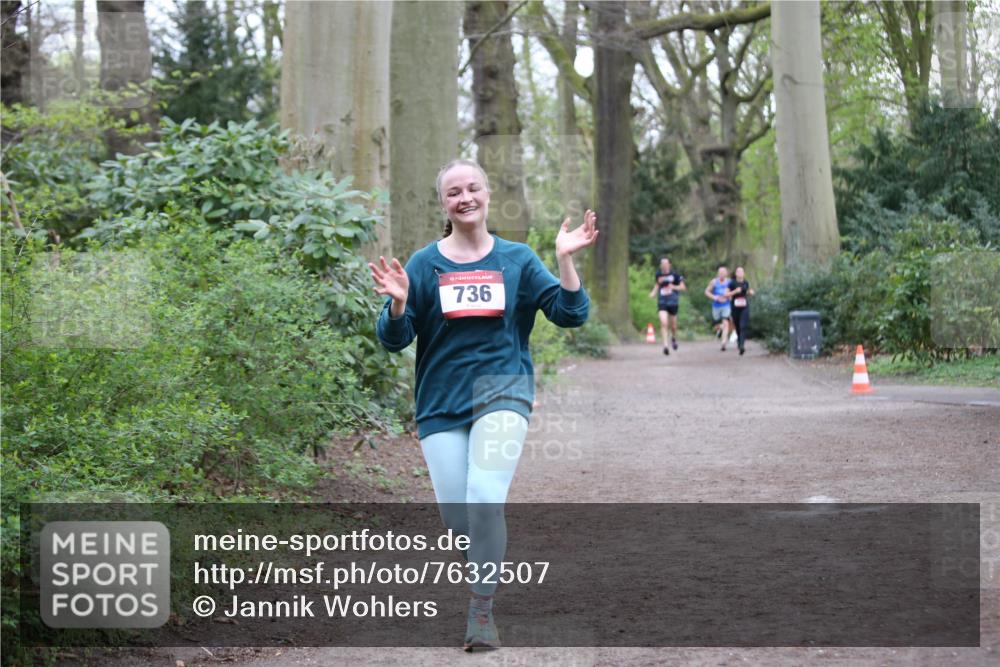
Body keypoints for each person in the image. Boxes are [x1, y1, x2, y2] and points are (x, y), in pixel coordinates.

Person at [370, 158, 597, 650]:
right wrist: (397, 305)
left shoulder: (516, 259)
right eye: (454, 192)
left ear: (488, 194)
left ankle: (481, 611)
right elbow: (395, 339)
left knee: (485, 498)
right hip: (440, 399)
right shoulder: (423, 264)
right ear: (443, 204)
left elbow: (570, 314)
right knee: (458, 519)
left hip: (503, 390)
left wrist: (565, 263)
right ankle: (482, 576)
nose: (465, 197)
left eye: (473, 187)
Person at [647, 257, 686, 355]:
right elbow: (657, 285)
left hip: (673, 302)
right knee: (664, 322)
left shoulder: (675, 275)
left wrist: (673, 287)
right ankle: (665, 346)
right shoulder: (658, 275)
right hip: (662, 302)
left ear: (669, 265)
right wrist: (653, 293)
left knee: (673, 326)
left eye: (665, 263)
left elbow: (683, 287)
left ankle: (673, 338)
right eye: (662, 264)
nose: (663, 265)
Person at [726, 266, 754, 356]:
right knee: (737, 326)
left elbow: (746, 292)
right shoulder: (732, 283)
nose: (740, 273)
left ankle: (742, 345)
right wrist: (734, 291)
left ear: (744, 273)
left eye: (742, 271)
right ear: (736, 273)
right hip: (735, 307)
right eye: (739, 271)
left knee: (743, 326)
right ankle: (739, 342)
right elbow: (726, 294)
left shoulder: (746, 282)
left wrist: (750, 292)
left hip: (744, 307)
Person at [705, 265, 732, 351]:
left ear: (726, 273)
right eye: (720, 273)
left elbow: (733, 293)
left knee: (726, 323)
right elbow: (706, 292)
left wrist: (729, 297)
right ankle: (720, 329)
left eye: (723, 273)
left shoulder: (730, 282)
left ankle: (723, 343)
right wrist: (715, 297)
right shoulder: (714, 282)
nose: (722, 274)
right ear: (718, 274)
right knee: (717, 325)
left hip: (726, 305)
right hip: (716, 306)